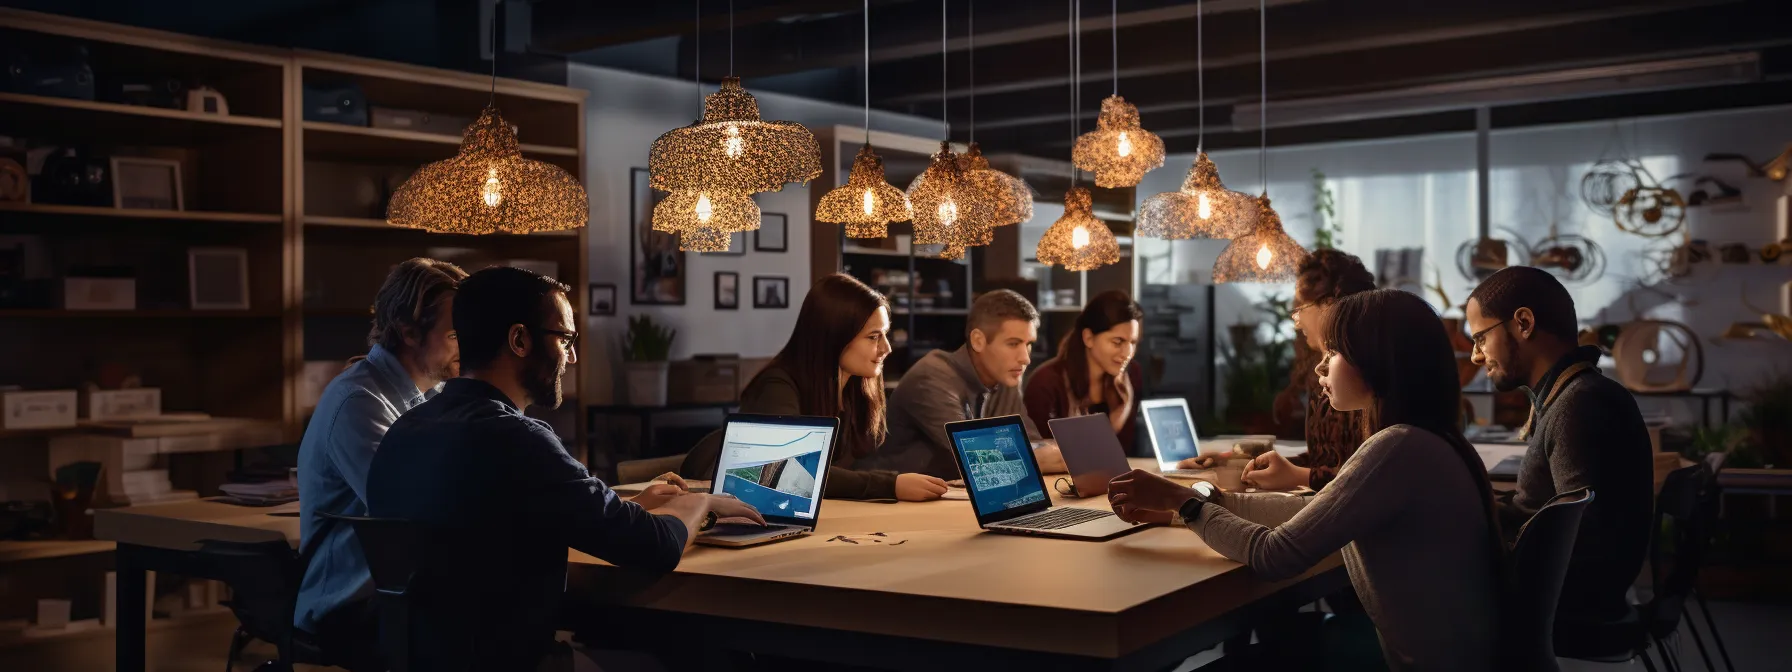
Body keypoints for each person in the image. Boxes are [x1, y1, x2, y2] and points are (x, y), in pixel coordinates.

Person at [365, 266, 762, 672]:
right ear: (520, 339)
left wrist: (632, 506)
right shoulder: (516, 438)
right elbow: (654, 546)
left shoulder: (406, 429)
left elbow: (499, 527)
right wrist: (702, 502)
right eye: (565, 339)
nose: (572, 356)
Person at [1109, 289, 1506, 671]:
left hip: (1416, 663)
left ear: (1376, 362)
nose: (1319, 365)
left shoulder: (1398, 448)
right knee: (1276, 636)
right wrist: (1190, 502)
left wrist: (1187, 505)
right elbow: (1313, 508)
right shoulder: (1427, 439)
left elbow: (1274, 555)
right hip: (1451, 655)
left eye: (1333, 352)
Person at [1465, 265, 1651, 654]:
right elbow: (1546, 515)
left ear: (1524, 323)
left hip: (1574, 605)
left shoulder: (1578, 404)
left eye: (1481, 337)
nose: (1475, 355)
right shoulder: (1574, 395)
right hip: (1587, 595)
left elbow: (1576, 536)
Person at [294, 257, 465, 668]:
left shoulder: (430, 397)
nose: (468, 346)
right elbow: (411, 508)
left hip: (398, 593)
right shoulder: (360, 402)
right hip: (349, 605)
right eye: (456, 334)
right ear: (408, 332)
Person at [681, 274, 949, 501]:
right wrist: (890, 485)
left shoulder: (855, 387)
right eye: (873, 337)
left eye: (885, 334)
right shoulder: (777, 386)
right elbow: (788, 473)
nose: (886, 348)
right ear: (834, 336)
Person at [1192, 250, 1378, 491]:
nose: (1295, 319)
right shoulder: (1321, 377)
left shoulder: (1359, 381)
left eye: (1301, 307)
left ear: (1329, 306)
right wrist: (1238, 462)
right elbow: (1322, 462)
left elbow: (1368, 475)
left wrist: (1300, 476)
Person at [876, 289, 1063, 479]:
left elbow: (1031, 442)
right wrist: (1064, 456)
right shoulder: (932, 376)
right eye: (1013, 344)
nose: (1025, 359)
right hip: (887, 500)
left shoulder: (1005, 374)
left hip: (957, 498)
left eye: (1028, 344)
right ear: (978, 341)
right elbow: (981, 458)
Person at [1023, 290, 1144, 450]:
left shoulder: (1131, 375)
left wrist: (1123, 408)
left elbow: (1127, 450)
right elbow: (1040, 452)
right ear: (1088, 338)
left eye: (1132, 342)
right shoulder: (1046, 383)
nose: (1127, 353)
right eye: (1117, 342)